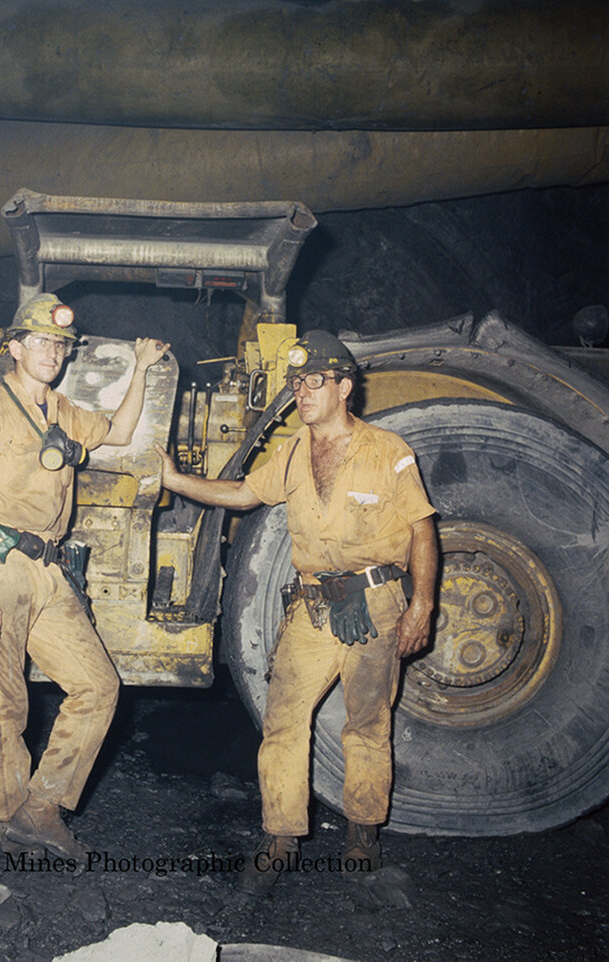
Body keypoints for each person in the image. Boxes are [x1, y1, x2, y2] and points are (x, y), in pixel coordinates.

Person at [155, 329, 437, 893]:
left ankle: (361, 836)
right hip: (312, 606)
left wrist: (422, 605)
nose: (302, 392)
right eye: (297, 382)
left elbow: (422, 530)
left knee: (367, 726)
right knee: (283, 722)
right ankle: (279, 838)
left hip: (377, 601)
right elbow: (243, 495)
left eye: (314, 382)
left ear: (344, 388)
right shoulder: (291, 453)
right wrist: (177, 481)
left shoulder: (389, 450)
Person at [0, 292, 169, 860]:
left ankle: (40, 807)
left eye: (61, 344)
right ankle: (8, 819)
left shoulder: (65, 411)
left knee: (99, 686)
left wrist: (142, 369)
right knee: (6, 700)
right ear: (16, 348)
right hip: (0, 563)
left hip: (50, 567)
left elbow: (120, 432)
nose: (54, 351)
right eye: (43, 341)